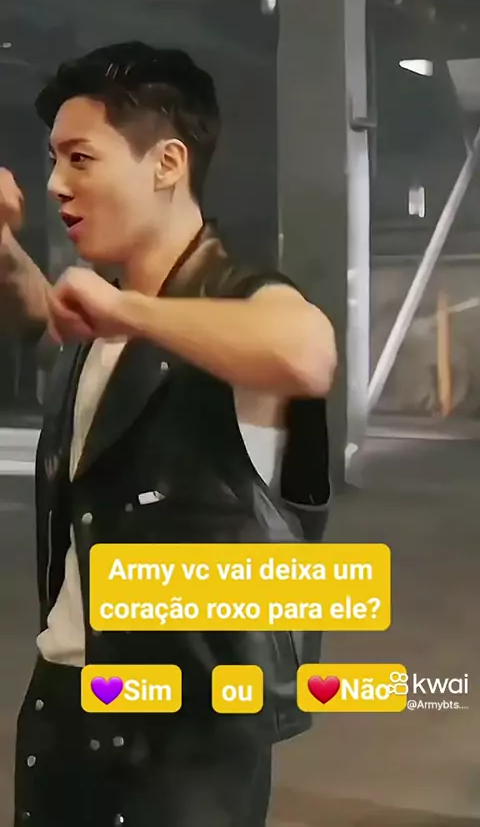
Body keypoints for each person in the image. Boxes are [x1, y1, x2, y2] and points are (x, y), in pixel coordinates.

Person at [0, 41, 336, 827]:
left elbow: (307, 352)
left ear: (167, 163)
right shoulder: (104, 316)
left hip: (185, 745)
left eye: (81, 158)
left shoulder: (242, 299)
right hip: (65, 706)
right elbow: (44, 318)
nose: (56, 183)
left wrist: (128, 311)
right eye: (52, 160)